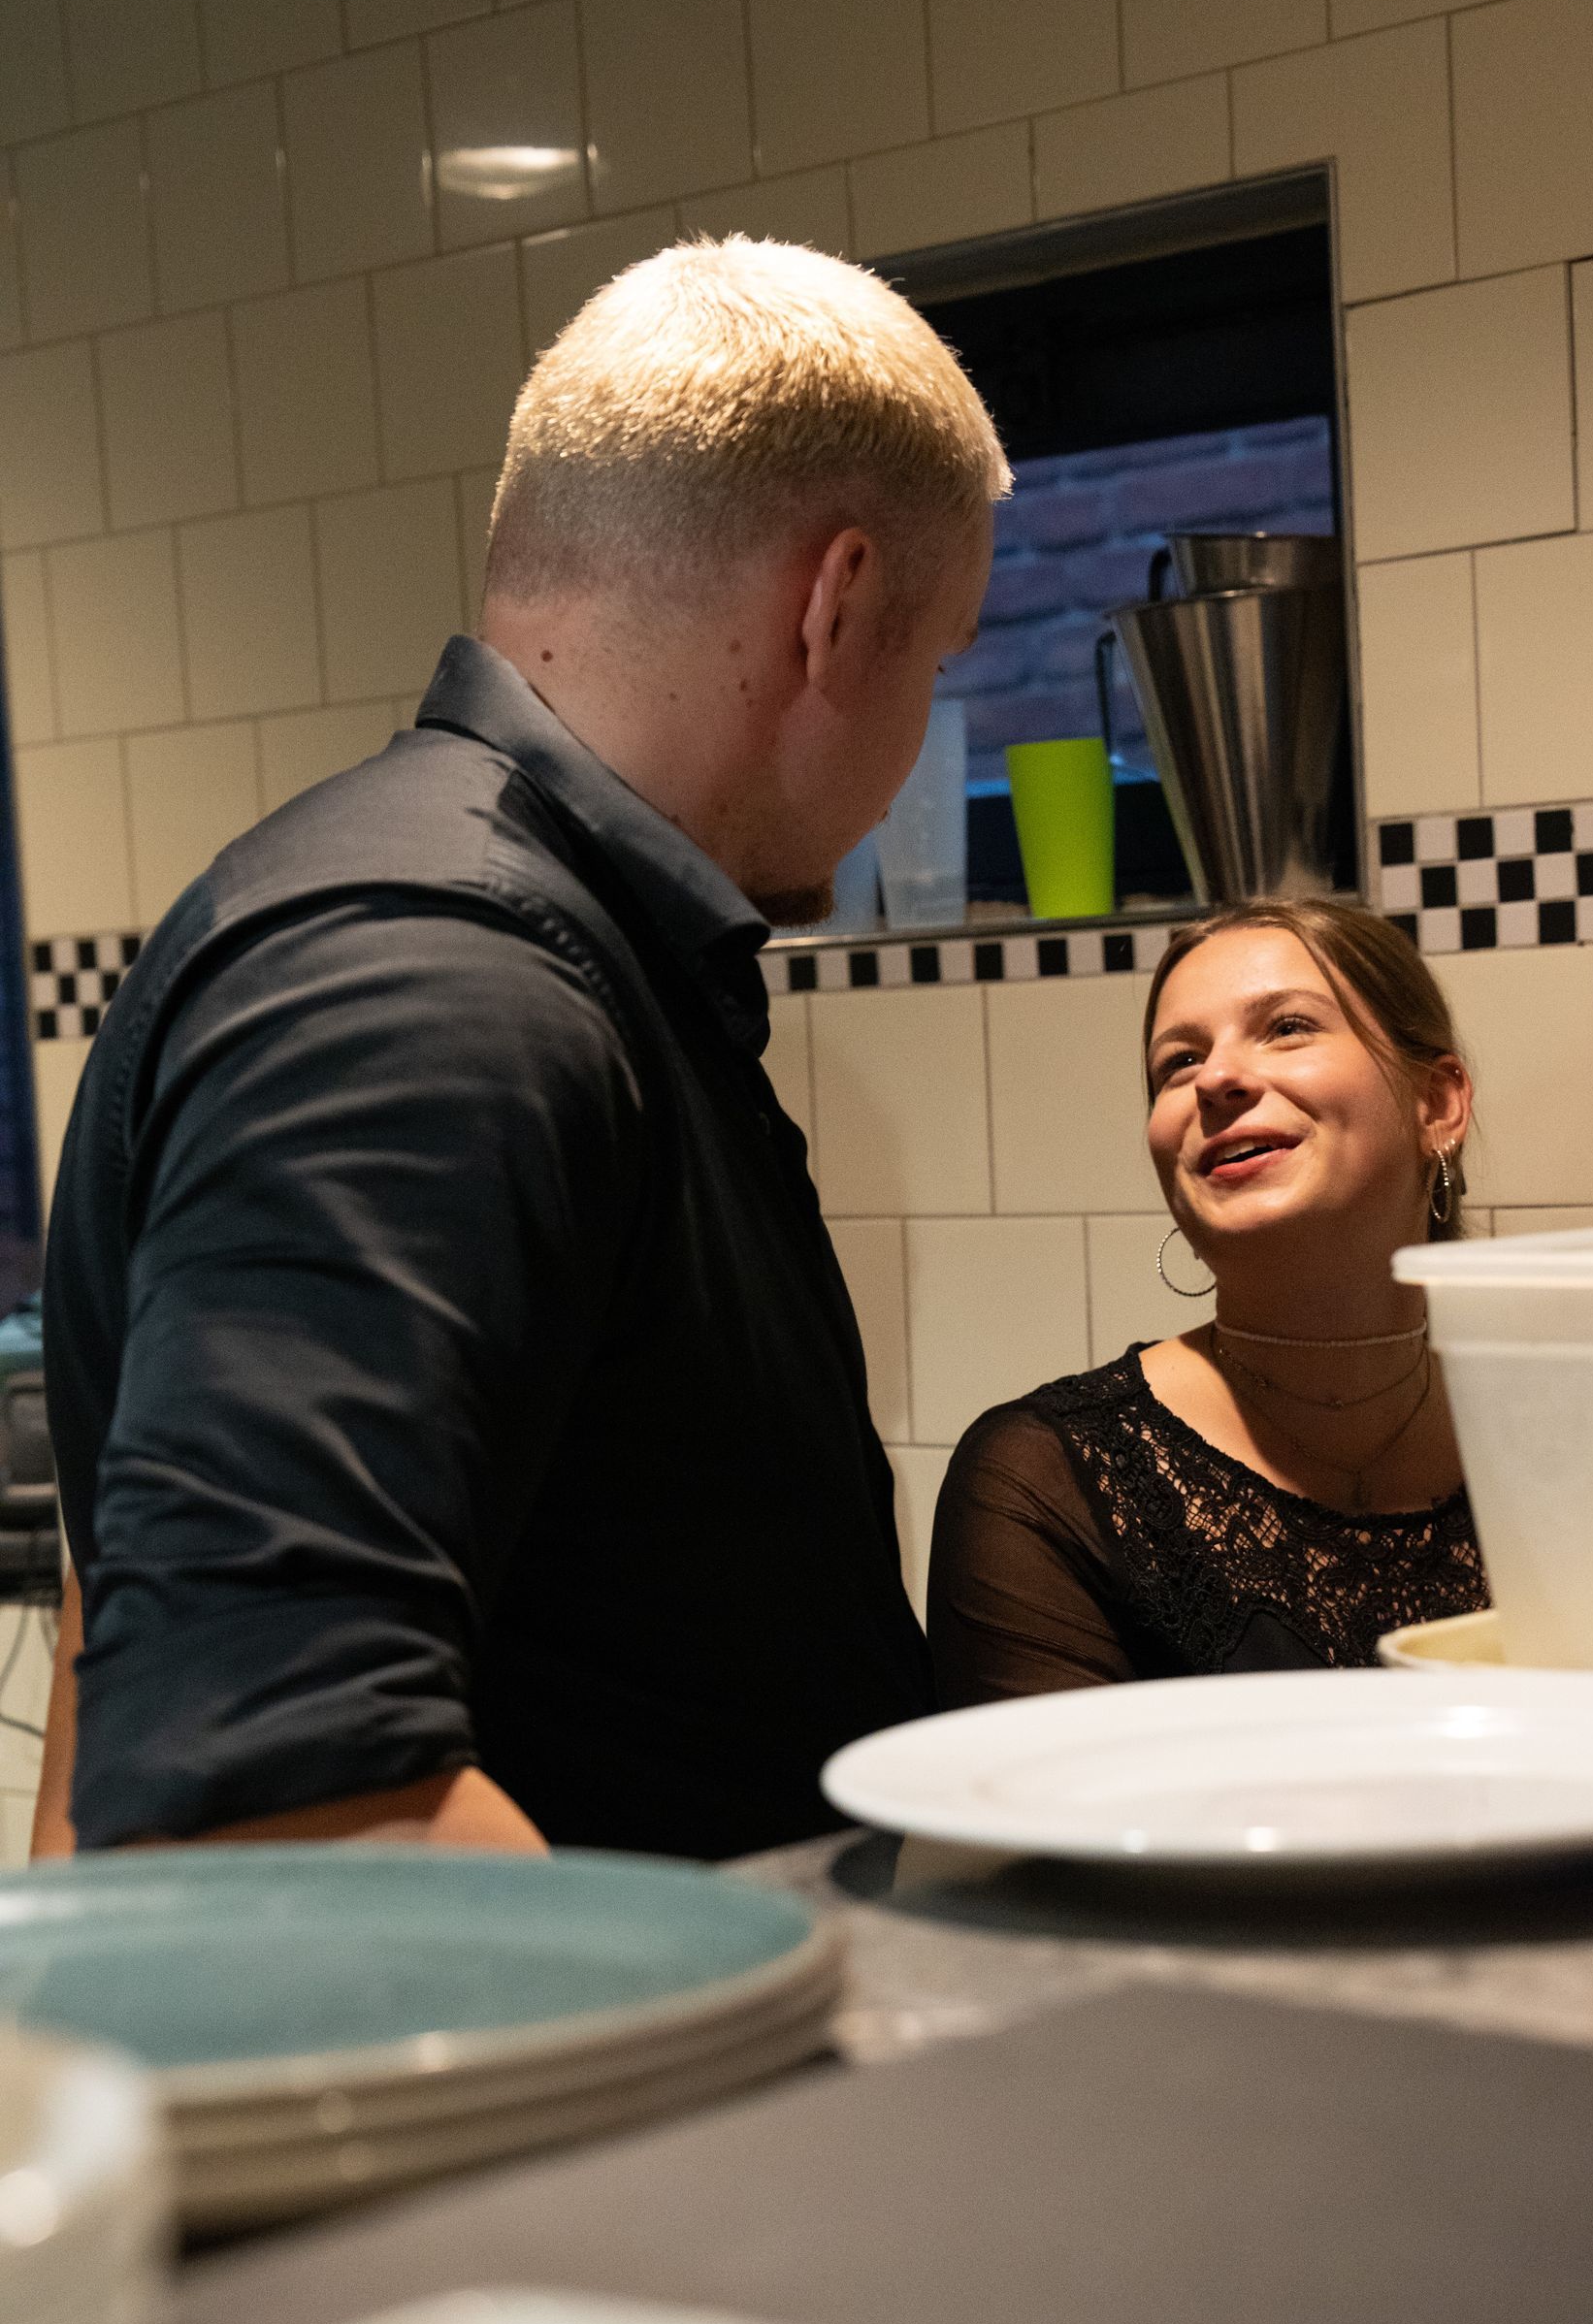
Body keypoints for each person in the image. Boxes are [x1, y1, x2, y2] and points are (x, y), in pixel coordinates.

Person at [36, 236, 1006, 1857]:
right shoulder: (446, 978)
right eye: (943, 657)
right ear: (837, 608)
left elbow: (138, 1606)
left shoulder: (550, 951)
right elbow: (274, 1784)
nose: (919, 737)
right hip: (615, 2109)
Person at [927, 899, 1490, 1704]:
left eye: (1288, 1026)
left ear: (1437, 1103)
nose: (1217, 1079)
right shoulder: (1049, 1482)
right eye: (1178, 1063)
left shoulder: (1555, 1440)